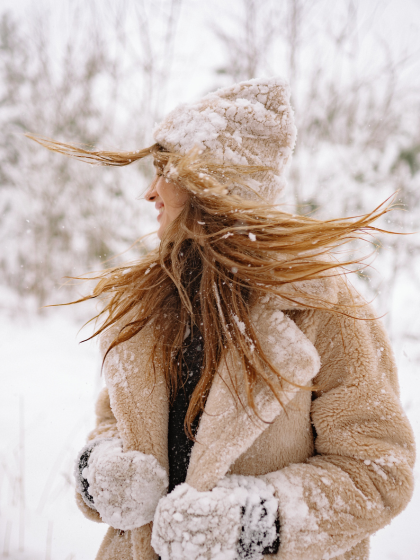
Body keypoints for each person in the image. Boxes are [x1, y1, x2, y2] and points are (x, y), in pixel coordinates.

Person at [29, 77, 415, 560]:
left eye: (164, 172)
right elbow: (112, 423)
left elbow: (378, 470)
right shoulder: (151, 307)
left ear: (212, 184)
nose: (150, 193)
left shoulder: (323, 310)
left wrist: (251, 524)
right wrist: (101, 472)